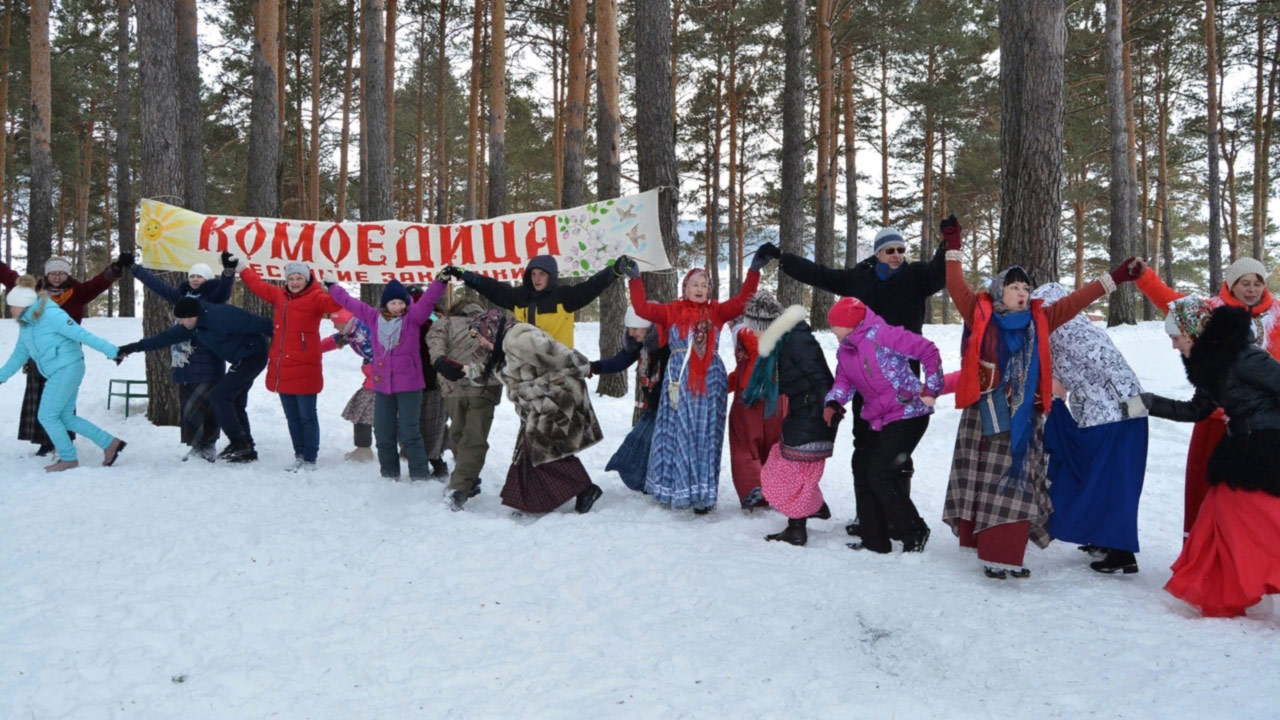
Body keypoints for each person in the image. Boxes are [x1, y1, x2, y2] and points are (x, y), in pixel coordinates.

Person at [941, 218, 1143, 579]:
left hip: (1025, 418)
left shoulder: (1041, 320)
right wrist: (953, 245)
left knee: (1018, 485)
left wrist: (1115, 277)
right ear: (999, 291)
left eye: (1025, 287)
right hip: (986, 416)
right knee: (990, 482)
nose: (1022, 292)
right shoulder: (980, 314)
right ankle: (992, 553)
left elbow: (1078, 300)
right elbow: (956, 284)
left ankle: (1006, 554)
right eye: (1014, 286)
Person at [759, 223, 946, 538]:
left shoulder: (916, 276)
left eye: (901, 250)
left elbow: (939, 275)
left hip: (902, 382)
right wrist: (783, 258)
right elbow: (821, 275)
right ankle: (869, 518)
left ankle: (897, 520)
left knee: (895, 456)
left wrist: (948, 245)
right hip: (865, 380)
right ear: (878, 253)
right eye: (890, 250)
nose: (897, 255)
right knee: (865, 448)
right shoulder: (860, 278)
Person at [1141, 299, 1280, 617]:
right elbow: (1197, 410)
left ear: (1194, 331)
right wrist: (1146, 403)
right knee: (1218, 514)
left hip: (1266, 448)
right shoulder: (1211, 364)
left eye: (1176, 336)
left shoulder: (1244, 357)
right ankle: (1221, 590)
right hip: (1242, 446)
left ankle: (1232, 588)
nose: (1174, 345)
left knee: (1259, 517)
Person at [1132, 256, 1280, 540]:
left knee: (1252, 501)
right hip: (1218, 418)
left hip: (1265, 426)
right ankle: (1205, 544)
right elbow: (1173, 305)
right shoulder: (1209, 313)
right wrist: (1144, 277)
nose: (1251, 289)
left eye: (1257, 283)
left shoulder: (1273, 320)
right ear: (1231, 285)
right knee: (1210, 488)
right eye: (1245, 283)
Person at [619, 248, 770, 513]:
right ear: (685, 287)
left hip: (710, 382)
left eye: (704, 285)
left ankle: (702, 494)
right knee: (678, 432)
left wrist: (754, 271)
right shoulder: (671, 311)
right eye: (695, 284)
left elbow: (743, 300)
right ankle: (674, 488)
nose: (700, 289)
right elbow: (642, 307)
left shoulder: (717, 312)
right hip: (679, 379)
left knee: (705, 435)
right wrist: (634, 278)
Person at [1033, 283, 1149, 575]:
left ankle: (1121, 551)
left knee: (1113, 482)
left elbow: (1110, 366)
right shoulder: (1064, 330)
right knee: (1100, 479)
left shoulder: (1070, 329)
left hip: (1116, 416)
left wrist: (1129, 407)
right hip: (1104, 414)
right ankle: (1103, 538)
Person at [822, 296, 943, 554]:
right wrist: (833, 402)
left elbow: (927, 350)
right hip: (879, 418)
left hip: (909, 412)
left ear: (849, 323)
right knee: (862, 466)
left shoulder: (883, 335)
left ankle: (914, 530)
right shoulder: (845, 350)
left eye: (834, 325)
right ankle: (874, 540)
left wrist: (933, 387)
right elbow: (843, 381)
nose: (831, 330)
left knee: (880, 472)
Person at [470, 310, 605, 515]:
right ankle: (536, 500)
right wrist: (460, 370)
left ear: (490, 329)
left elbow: (558, 354)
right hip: (539, 401)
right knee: (531, 451)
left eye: (478, 335)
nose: (479, 341)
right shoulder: (500, 348)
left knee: (541, 447)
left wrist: (584, 367)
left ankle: (586, 489)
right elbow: (488, 371)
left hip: (556, 396)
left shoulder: (519, 339)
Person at [116, 297, 272, 463]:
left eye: (183, 319)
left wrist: (284, 350)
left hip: (253, 356)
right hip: (242, 359)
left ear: (193, 315)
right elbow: (163, 338)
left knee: (220, 396)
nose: (181, 323)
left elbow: (265, 324)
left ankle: (239, 443)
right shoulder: (192, 327)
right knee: (234, 401)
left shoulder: (222, 315)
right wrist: (130, 348)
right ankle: (247, 449)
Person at [1, 254, 129, 455]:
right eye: (53, 273)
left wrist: (117, 267)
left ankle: (65, 447)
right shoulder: (35, 292)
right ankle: (47, 441)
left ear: (68, 275)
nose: (57, 277)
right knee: (42, 401)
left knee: (57, 406)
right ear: (46, 274)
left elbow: (98, 283)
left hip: (66, 356)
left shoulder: (77, 292)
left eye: (61, 273)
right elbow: (11, 278)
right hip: (40, 356)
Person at [328, 278, 448, 480]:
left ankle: (419, 476)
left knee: (410, 432)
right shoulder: (374, 318)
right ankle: (389, 474)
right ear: (386, 304)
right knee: (383, 432)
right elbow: (350, 303)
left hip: (410, 385)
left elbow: (428, 300)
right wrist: (332, 287)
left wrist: (441, 281)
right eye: (393, 303)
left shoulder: (412, 318)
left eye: (401, 302)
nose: (398, 307)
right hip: (383, 385)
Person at [129, 252, 239, 462]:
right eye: (192, 276)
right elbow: (157, 285)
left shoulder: (213, 298)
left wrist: (228, 272)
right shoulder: (181, 298)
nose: (195, 280)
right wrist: (135, 269)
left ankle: (209, 444)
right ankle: (196, 446)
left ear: (208, 279)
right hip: (185, 363)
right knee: (190, 408)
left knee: (210, 407)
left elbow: (224, 290)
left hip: (209, 361)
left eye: (200, 276)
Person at [745, 305, 838, 546]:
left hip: (813, 413)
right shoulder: (785, 340)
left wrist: (830, 409)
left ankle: (797, 530)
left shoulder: (796, 341)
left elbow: (821, 376)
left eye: (754, 328)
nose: (753, 333)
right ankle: (815, 506)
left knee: (791, 472)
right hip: (803, 410)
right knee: (787, 466)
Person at [239, 260, 343, 471]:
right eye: (291, 278)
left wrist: (334, 287)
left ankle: (310, 458)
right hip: (283, 366)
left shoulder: (316, 297)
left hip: (305, 366)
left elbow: (335, 305)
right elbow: (259, 286)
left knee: (307, 416)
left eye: (299, 278)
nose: (295, 282)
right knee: (292, 417)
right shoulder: (280, 296)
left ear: (307, 279)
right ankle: (299, 454)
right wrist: (242, 268)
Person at [441, 255, 625, 348]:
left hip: (557, 367)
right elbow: (490, 286)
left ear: (551, 276)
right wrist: (462, 274)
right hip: (528, 368)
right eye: (533, 274)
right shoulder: (519, 296)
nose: (537, 278)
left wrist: (614, 271)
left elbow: (592, 286)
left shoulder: (564, 297)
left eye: (542, 274)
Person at [427, 291, 502, 510]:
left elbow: (435, 345)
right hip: (484, 387)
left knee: (458, 433)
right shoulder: (493, 324)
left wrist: (440, 362)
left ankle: (460, 485)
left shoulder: (445, 323)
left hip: (453, 387)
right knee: (475, 437)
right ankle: (465, 482)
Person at [591, 307, 672, 493]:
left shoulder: (668, 347)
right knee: (637, 444)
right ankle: (647, 483)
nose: (631, 333)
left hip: (668, 408)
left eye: (635, 328)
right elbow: (619, 362)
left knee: (654, 446)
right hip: (654, 407)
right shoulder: (640, 345)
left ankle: (660, 485)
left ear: (648, 327)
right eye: (629, 329)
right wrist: (592, 367)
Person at [727, 293, 786, 509]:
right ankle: (773, 488)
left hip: (751, 397)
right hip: (777, 396)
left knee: (744, 443)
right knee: (774, 444)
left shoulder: (744, 334)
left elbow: (754, 355)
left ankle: (754, 487)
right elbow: (741, 369)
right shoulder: (785, 336)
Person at [322, 310, 376, 461]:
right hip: (374, 379)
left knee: (362, 411)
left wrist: (374, 379)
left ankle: (365, 450)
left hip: (380, 380)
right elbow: (332, 341)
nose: (334, 326)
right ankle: (363, 449)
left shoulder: (362, 333)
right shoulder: (350, 330)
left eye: (335, 323)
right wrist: (312, 349)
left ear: (344, 321)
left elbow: (382, 357)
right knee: (360, 410)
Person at [407, 285, 449, 478]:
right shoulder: (436, 316)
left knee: (424, 423)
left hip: (420, 378)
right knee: (434, 423)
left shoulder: (429, 317)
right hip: (432, 377)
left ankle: (434, 461)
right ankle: (435, 460)